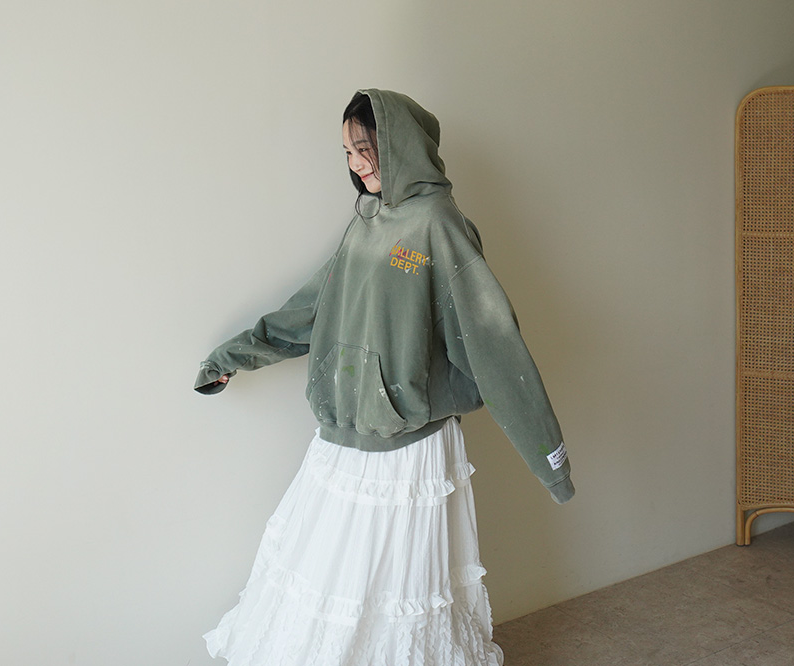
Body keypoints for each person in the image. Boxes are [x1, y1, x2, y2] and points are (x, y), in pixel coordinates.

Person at [194, 89, 573, 666]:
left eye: (365, 148)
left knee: (397, 595)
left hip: (408, 447)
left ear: (399, 146)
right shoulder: (365, 222)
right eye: (347, 152)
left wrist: (552, 464)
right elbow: (311, 310)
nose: (356, 163)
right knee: (329, 583)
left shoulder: (440, 226)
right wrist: (231, 357)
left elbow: (496, 350)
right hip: (346, 438)